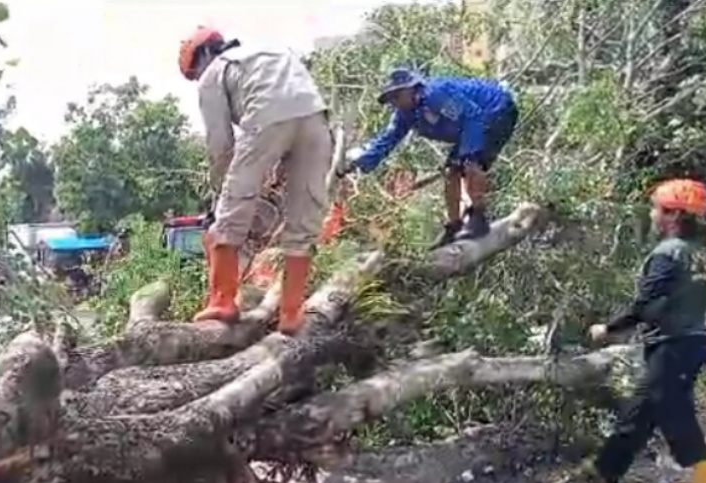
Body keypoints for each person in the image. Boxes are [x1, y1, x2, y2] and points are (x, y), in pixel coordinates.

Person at [179, 27, 332, 335]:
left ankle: (223, 300)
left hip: (266, 117)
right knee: (303, 222)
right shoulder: (267, 51)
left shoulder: (213, 73)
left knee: (230, 216)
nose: (198, 79)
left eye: (194, 74)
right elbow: (292, 110)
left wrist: (223, 192)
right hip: (316, 119)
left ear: (202, 57)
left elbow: (220, 145)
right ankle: (291, 313)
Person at [583, 179, 706, 483]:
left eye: (657, 208)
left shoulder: (667, 254)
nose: (652, 213)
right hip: (687, 342)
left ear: (673, 215)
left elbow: (646, 305)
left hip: (674, 344)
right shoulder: (698, 253)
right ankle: (606, 468)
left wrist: (608, 328)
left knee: (674, 412)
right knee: (641, 408)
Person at [340, 67, 519, 248]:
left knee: (470, 164)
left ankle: (478, 217)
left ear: (411, 88)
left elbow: (473, 115)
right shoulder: (404, 115)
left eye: (397, 96)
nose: (394, 103)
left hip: (496, 111)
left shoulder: (436, 95)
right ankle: (454, 227)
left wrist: (469, 154)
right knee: (451, 171)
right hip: (473, 122)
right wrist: (356, 164)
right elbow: (386, 141)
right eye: (391, 99)